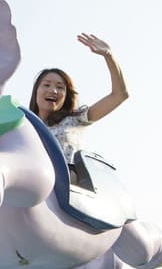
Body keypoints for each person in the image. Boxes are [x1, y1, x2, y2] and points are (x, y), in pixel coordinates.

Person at [29, 33, 128, 177]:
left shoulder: (76, 119)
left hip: (65, 181)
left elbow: (119, 95)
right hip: (31, 182)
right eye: (46, 85)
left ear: (66, 96)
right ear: (36, 92)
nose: (53, 90)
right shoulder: (25, 126)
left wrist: (109, 56)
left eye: (60, 87)